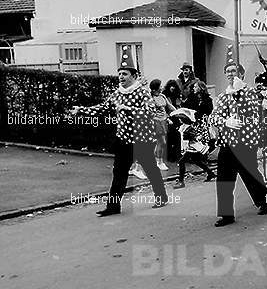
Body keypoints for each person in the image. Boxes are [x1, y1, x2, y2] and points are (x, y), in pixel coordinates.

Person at [69, 51, 169, 216]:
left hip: (141, 139)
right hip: (123, 139)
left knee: (150, 169)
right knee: (119, 173)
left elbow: (149, 112)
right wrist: (81, 110)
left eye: (125, 74)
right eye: (119, 74)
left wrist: (128, 109)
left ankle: (161, 196)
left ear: (134, 75)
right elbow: (102, 108)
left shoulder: (142, 93)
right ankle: (113, 207)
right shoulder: (117, 94)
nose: (121, 77)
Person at [210, 55, 267, 227]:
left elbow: (253, 113)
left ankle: (264, 201)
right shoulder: (222, 96)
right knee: (223, 180)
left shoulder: (250, 93)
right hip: (227, 145)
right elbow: (214, 117)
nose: (230, 74)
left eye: (233, 71)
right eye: (227, 71)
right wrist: (224, 121)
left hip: (245, 143)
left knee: (250, 175)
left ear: (241, 74)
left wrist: (239, 91)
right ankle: (227, 215)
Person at [172, 108, 216, 189]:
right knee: (197, 161)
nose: (179, 120)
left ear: (184, 119)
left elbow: (186, 140)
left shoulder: (187, 128)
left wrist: (183, 150)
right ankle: (211, 174)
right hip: (193, 148)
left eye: (180, 118)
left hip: (192, 148)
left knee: (181, 162)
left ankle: (181, 181)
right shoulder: (184, 127)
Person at [150, 79, 176, 170]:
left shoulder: (162, 96)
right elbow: (152, 112)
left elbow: (169, 106)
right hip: (157, 121)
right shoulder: (151, 98)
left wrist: (178, 112)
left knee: (161, 142)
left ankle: (157, 161)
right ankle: (159, 161)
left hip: (164, 121)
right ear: (154, 89)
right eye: (160, 86)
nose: (161, 87)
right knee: (161, 141)